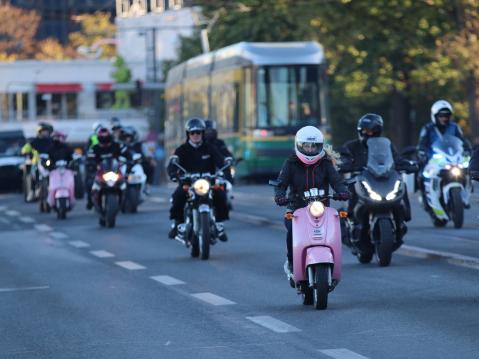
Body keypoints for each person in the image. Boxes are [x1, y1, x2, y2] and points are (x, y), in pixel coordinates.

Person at [273, 126, 349, 275]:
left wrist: (343, 191)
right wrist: (280, 195)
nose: (309, 149)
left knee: (337, 226)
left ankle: (333, 260)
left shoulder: (325, 163)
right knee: (291, 230)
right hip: (296, 208)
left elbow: (336, 180)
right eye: (306, 146)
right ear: (299, 145)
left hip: (322, 210)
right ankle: (291, 262)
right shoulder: (291, 162)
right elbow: (281, 183)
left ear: (319, 146)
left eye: (313, 146)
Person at [339, 113, 412, 246]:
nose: (370, 134)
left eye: (374, 131)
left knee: (401, 182)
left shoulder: (386, 145)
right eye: (366, 131)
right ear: (360, 131)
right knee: (351, 185)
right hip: (361, 181)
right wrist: (345, 164)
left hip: (382, 180)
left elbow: (396, 159)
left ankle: (404, 215)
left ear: (379, 132)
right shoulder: (351, 146)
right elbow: (343, 159)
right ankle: (352, 219)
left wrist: (408, 164)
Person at [167, 117, 231, 242]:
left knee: (221, 195)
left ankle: (219, 224)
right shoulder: (182, 149)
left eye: (198, 132)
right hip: (188, 184)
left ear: (203, 133)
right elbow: (172, 164)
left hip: (209, 183)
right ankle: (177, 225)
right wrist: (173, 174)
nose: (195, 135)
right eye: (192, 133)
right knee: (177, 196)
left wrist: (226, 171)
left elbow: (221, 161)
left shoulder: (210, 148)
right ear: (188, 134)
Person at [417, 100, 471, 208]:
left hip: (453, 158)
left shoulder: (454, 127)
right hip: (434, 160)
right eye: (441, 115)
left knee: (468, 171)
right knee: (422, 175)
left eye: (447, 115)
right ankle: (425, 200)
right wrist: (422, 153)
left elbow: (463, 141)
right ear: (435, 116)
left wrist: (468, 150)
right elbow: (421, 145)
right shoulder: (428, 129)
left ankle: (465, 197)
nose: (444, 118)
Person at [85, 127, 129, 209]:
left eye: (106, 137)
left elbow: (127, 154)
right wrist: (91, 165)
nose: (104, 140)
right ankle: (90, 201)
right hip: (100, 172)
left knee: (127, 180)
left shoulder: (117, 145)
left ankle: (125, 201)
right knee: (89, 182)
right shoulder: (94, 148)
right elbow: (89, 159)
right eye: (102, 137)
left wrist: (128, 160)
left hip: (115, 171)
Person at [21, 122, 54, 201]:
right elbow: (25, 149)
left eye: (47, 131)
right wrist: (25, 152)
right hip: (37, 162)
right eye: (44, 131)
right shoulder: (34, 141)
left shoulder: (51, 141)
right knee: (33, 173)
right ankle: (32, 190)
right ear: (39, 132)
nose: (46, 133)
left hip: (48, 162)